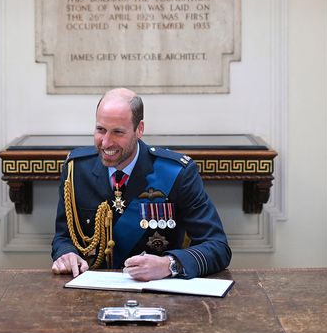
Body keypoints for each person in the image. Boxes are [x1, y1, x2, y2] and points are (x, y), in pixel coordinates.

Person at [51, 88, 230, 280]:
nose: (106, 142)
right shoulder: (76, 170)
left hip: (158, 292)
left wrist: (169, 264)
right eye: (100, 130)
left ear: (140, 129)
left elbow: (218, 246)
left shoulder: (176, 172)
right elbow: (63, 238)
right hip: (91, 290)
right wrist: (65, 253)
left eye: (118, 132)